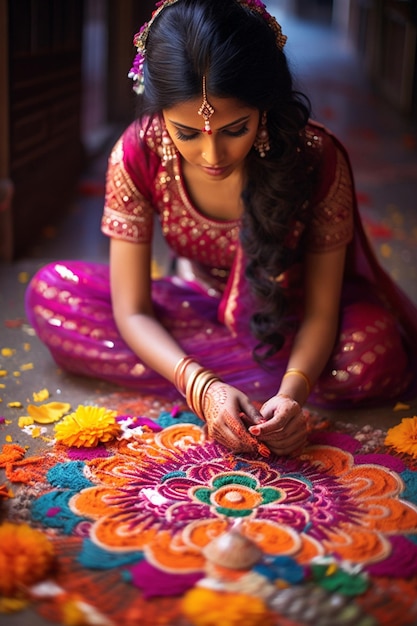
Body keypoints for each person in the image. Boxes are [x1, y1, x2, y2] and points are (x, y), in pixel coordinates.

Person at [25, 0, 417, 456]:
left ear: (265, 108)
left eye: (235, 128)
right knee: (53, 293)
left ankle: (260, 384)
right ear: (159, 113)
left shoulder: (314, 156)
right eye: (187, 133)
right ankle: (239, 381)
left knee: (370, 357)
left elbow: (322, 312)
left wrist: (293, 394)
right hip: (196, 305)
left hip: (289, 313)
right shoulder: (139, 152)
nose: (213, 156)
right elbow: (131, 310)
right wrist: (202, 389)